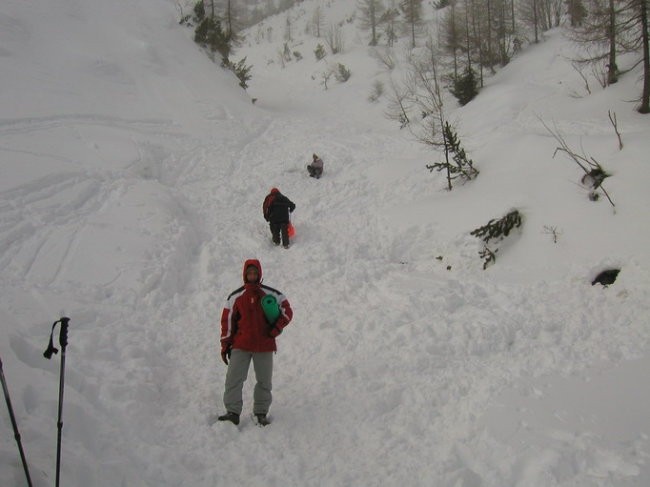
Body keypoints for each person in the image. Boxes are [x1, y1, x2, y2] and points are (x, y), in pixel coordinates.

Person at [218, 259, 293, 426]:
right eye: (249, 273)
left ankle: (260, 413)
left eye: (255, 273)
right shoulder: (235, 297)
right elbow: (227, 322)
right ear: (245, 274)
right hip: (241, 345)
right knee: (233, 379)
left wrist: (276, 329)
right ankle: (232, 412)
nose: (252, 275)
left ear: (259, 274)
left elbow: (287, 311)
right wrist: (225, 345)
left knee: (264, 381)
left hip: (264, 346)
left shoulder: (272, 294)